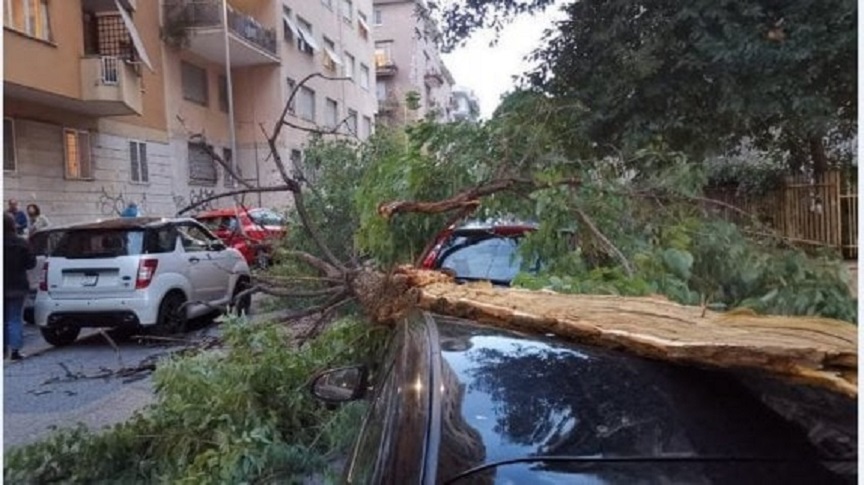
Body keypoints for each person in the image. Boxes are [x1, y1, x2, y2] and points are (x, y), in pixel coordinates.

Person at [4, 213, 36, 360]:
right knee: (15, 318)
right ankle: (15, 351)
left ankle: (3, 350)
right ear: (13, 225)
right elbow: (31, 264)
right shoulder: (21, 243)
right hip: (17, 285)